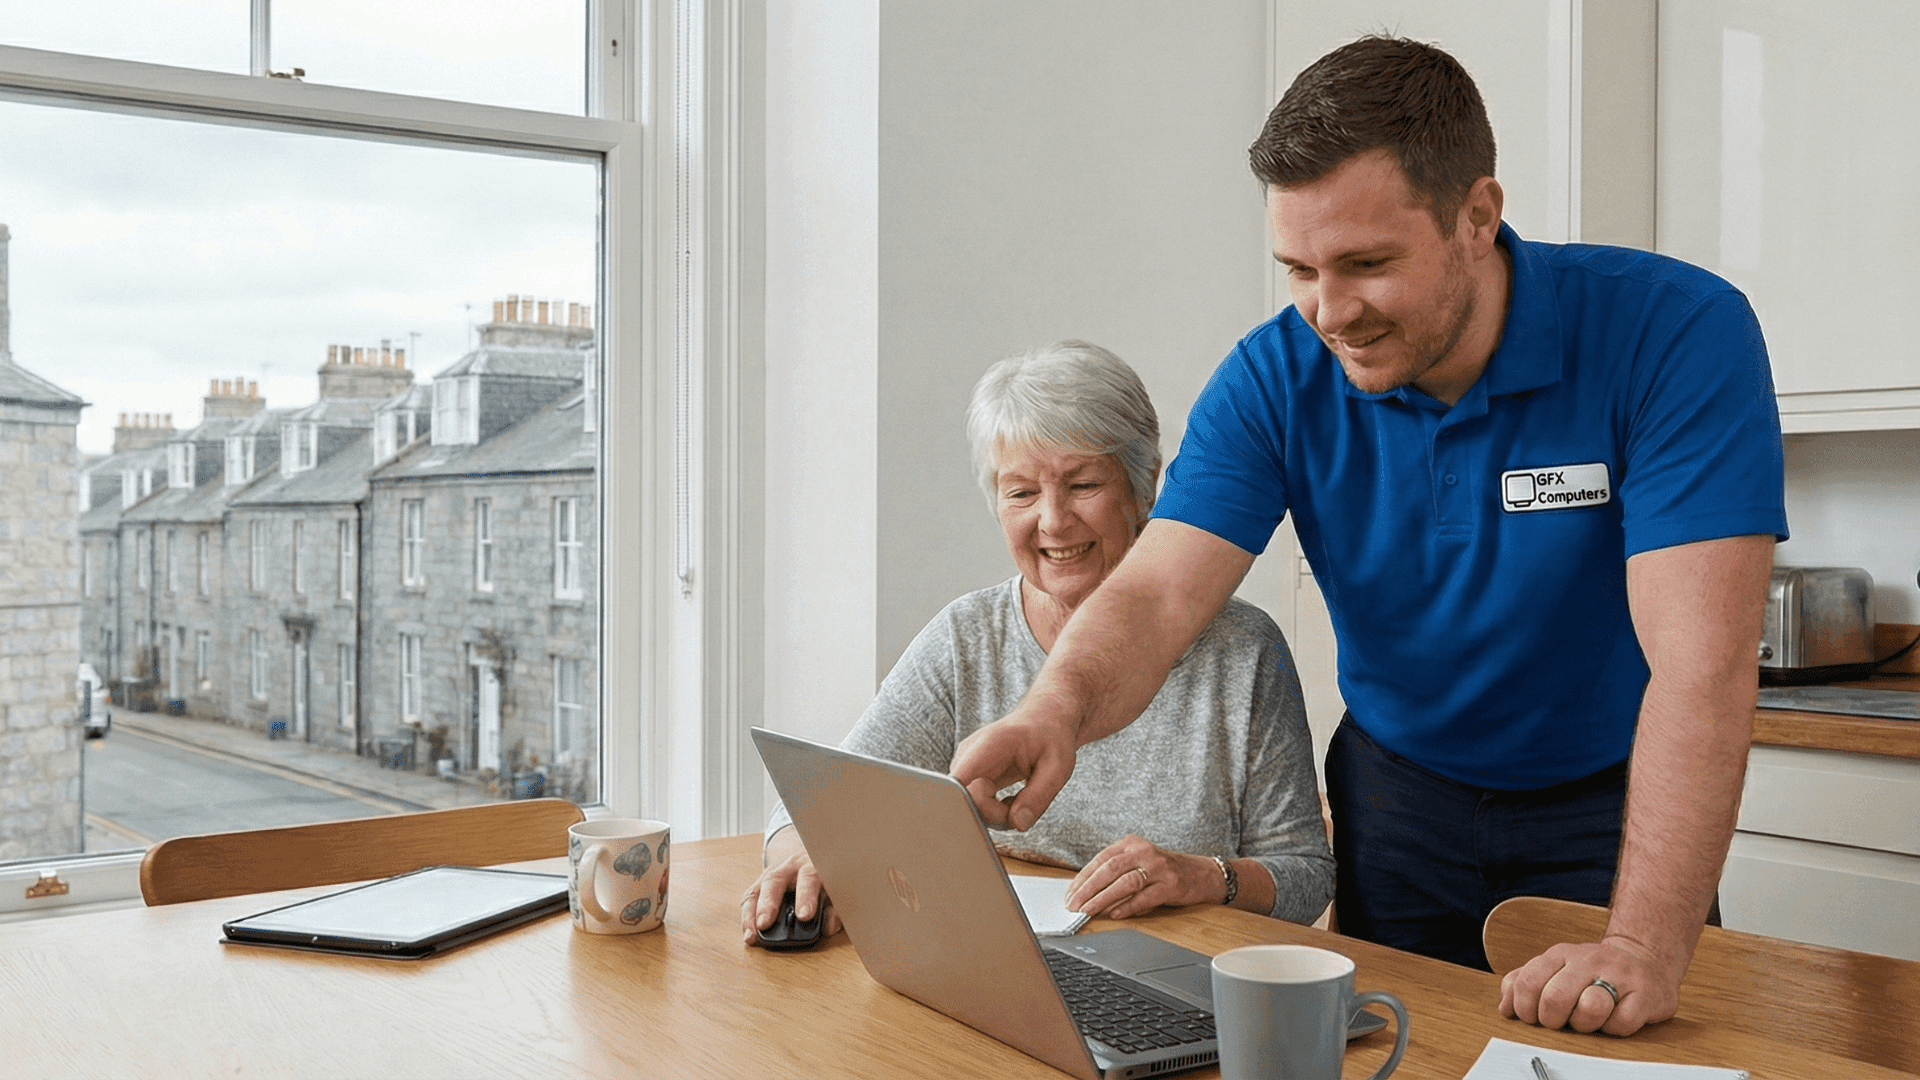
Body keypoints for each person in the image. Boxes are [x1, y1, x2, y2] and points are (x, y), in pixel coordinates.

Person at [949, 37, 1785, 1039]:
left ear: (1478, 217)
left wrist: (1646, 947)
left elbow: (1703, 667)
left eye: (1367, 264)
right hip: (1399, 803)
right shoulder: (1275, 374)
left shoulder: (1673, 332)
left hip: (1611, 804)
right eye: (1299, 268)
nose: (1329, 311)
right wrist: (1055, 713)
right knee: (1402, 1053)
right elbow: (1160, 589)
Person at [741, 341, 1334, 943]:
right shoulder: (966, 638)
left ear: (1144, 487)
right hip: (1001, 964)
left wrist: (1206, 877)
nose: (1052, 521)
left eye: (1082, 485)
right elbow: (813, 807)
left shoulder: (1243, 650)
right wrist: (800, 858)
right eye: (1021, 493)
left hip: (1178, 973)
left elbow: (1307, 877)